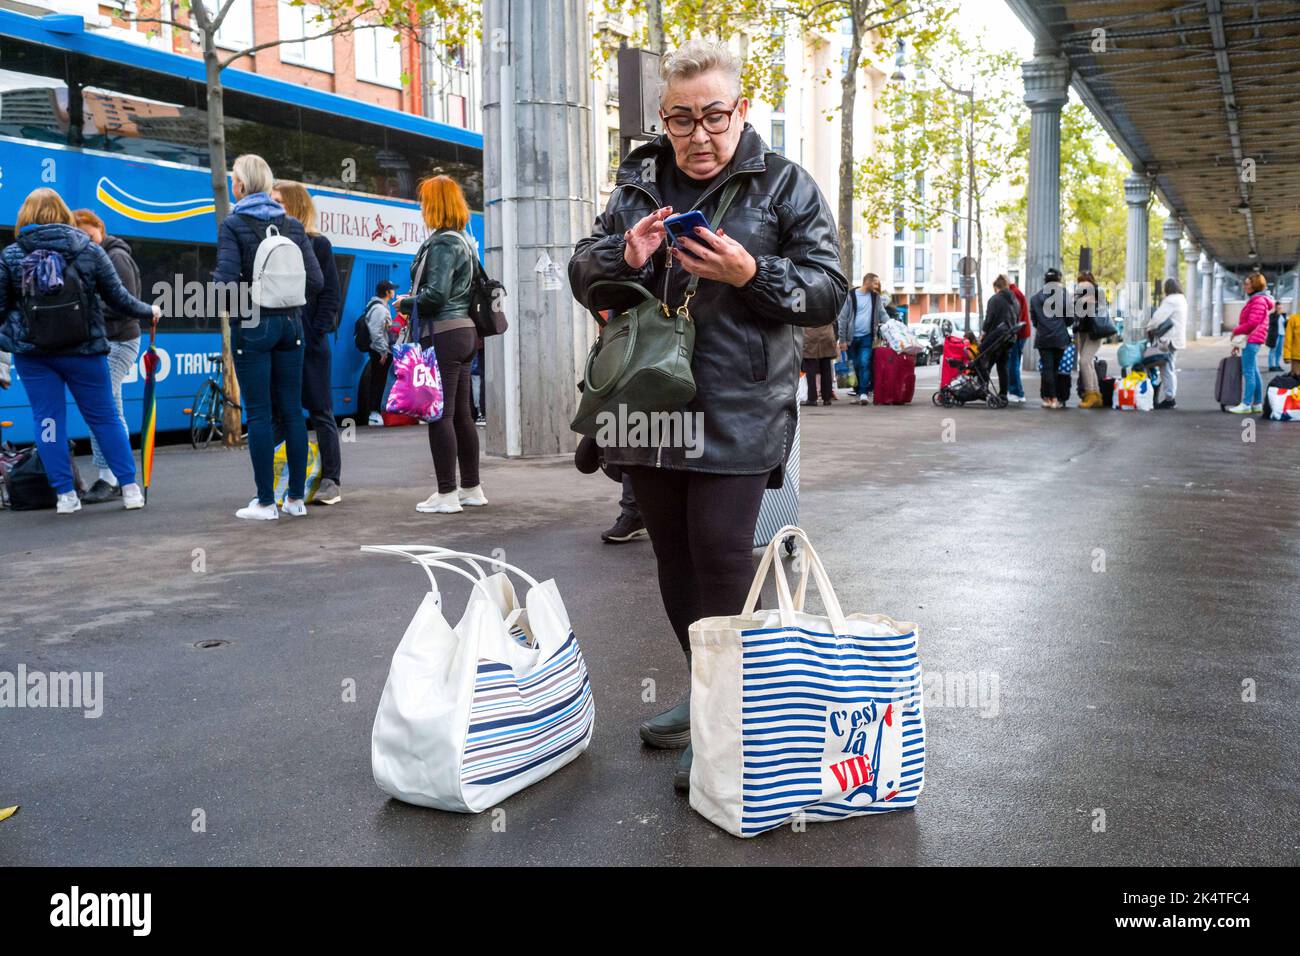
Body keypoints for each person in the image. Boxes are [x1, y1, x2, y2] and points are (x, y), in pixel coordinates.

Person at [568, 38, 847, 793]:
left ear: (741, 110)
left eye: (715, 117)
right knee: (673, 559)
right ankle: (710, 695)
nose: (699, 134)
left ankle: (730, 720)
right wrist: (622, 258)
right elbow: (581, 270)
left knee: (722, 555)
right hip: (647, 403)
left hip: (739, 404)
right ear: (664, 117)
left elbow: (827, 292)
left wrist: (752, 272)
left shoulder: (785, 185)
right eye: (682, 119)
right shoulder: (636, 182)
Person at [0, 188, 160, 513]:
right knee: (104, 417)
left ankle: (65, 496)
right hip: (84, 350)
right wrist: (149, 311)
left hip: (34, 356)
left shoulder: (12, 255)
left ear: (25, 217)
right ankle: (129, 488)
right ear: (63, 214)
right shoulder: (87, 249)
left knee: (48, 421)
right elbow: (119, 297)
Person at [212, 154, 324, 519]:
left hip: (253, 326)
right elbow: (317, 280)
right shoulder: (290, 224)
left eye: (234, 180)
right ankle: (294, 499)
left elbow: (226, 284)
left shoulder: (233, 223)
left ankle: (264, 502)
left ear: (241, 185)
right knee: (293, 411)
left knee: (259, 414)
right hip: (291, 326)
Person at [398, 175, 486, 514]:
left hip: (444, 333)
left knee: (440, 414)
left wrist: (406, 303)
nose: (421, 208)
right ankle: (471, 488)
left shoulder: (443, 244)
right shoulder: (465, 241)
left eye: (424, 202)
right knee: (462, 414)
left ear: (434, 205)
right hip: (464, 333)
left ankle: (447, 493)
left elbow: (435, 296)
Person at [270, 180, 343, 505]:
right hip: (279, 342)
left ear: (295, 206)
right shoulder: (269, 245)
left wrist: (315, 331)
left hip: (310, 344)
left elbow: (330, 295)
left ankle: (330, 480)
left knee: (320, 411)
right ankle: (280, 478)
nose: (271, 208)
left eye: (278, 202)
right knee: (280, 414)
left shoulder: (319, 245)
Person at [70, 209, 145, 503]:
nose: (86, 242)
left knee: (101, 405)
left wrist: (82, 313)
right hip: (105, 341)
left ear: (99, 228)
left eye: (89, 235)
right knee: (110, 407)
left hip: (119, 339)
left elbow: (125, 301)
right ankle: (115, 476)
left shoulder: (116, 257)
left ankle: (110, 478)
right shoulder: (93, 256)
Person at [836, 272, 888, 405]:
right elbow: (842, 318)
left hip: (867, 337)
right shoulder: (851, 296)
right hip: (850, 338)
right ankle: (858, 391)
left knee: (865, 363)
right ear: (868, 282)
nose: (877, 285)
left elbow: (883, 315)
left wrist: (893, 326)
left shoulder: (875, 297)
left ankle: (864, 393)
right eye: (875, 282)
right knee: (855, 365)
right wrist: (842, 340)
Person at [1227, 271, 1272, 414]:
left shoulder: (1258, 301)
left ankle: (1246, 403)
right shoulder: (1258, 300)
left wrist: (1236, 330)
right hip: (1254, 339)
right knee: (1254, 371)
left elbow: (1252, 323)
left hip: (1252, 339)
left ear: (1255, 286)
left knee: (1248, 372)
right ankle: (1257, 403)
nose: (1244, 286)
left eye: (1247, 284)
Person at [1030, 268, 1072, 409]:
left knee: (1047, 368)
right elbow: (1070, 318)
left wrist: (1043, 327)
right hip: (1060, 337)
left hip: (1043, 337)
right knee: (1054, 368)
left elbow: (1034, 320)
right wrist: (1061, 325)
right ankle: (1054, 398)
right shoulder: (1064, 295)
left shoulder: (1035, 298)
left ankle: (1047, 398)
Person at [1147, 278, 1187, 409]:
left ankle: (1170, 398)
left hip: (1169, 339)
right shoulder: (1182, 299)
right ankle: (1170, 396)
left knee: (1166, 369)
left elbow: (1158, 317)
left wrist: (1149, 327)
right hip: (1176, 338)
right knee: (1170, 367)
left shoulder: (1170, 300)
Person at [362, 281, 396, 425]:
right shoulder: (380, 309)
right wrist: (383, 351)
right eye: (392, 290)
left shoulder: (381, 307)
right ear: (387, 292)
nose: (394, 292)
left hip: (379, 350)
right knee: (378, 381)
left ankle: (377, 412)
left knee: (380, 380)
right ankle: (374, 413)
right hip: (379, 351)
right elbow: (376, 332)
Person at [981, 274, 1018, 401]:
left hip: (996, 338)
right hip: (1009, 338)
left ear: (996, 287)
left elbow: (989, 319)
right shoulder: (1014, 300)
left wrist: (983, 334)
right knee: (1003, 366)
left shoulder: (994, 299)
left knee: (986, 364)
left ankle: (982, 390)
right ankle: (1003, 394)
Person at [802, 311, 838, 407]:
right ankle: (827, 398)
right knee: (826, 368)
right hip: (826, 334)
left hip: (809, 335)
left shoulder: (805, 300)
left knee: (810, 370)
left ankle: (812, 398)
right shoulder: (827, 298)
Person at [1006, 280, 1031, 403]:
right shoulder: (1017, 292)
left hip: (1017, 333)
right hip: (1022, 332)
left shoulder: (1013, 293)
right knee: (1014, 362)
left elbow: (1015, 314)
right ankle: (1017, 391)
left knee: (1013, 363)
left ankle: (1016, 392)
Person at [1267, 301, 1287, 371]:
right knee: (1273, 350)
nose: (1279, 308)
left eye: (1280, 307)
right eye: (1278, 307)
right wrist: (1278, 314)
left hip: (1282, 334)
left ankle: (1277, 365)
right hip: (1275, 335)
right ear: (1275, 307)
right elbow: (1272, 322)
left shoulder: (1283, 315)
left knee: (1279, 351)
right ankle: (1271, 366)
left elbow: (1285, 325)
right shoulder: (1272, 315)